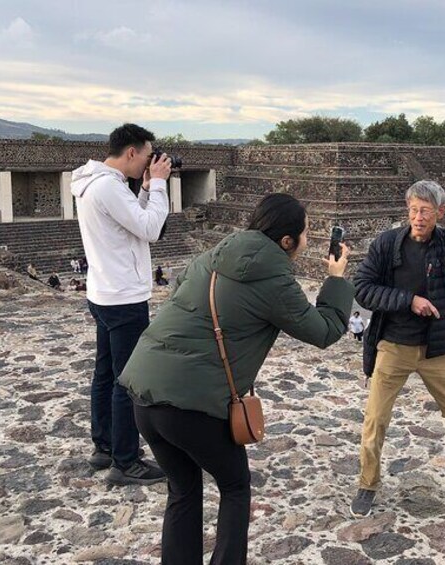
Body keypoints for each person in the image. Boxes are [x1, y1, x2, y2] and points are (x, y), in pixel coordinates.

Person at [120, 193, 354, 564]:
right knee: (234, 486)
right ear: (287, 241)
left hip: (143, 395)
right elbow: (324, 330)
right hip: (191, 406)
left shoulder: (211, 256)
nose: (307, 241)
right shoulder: (274, 277)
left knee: (182, 490)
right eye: (306, 234)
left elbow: (180, 290)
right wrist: (336, 280)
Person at [350, 179, 445, 518]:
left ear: (440, 212)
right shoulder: (387, 243)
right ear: (408, 211)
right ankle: (368, 482)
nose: (419, 217)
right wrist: (409, 301)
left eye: (426, 211)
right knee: (375, 420)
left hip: (438, 350)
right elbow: (362, 288)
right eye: (414, 210)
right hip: (393, 345)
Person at [72, 123, 172, 486]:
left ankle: (105, 446)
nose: (150, 162)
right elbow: (150, 229)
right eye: (148, 156)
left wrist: (144, 191)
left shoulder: (96, 183)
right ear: (132, 152)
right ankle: (126, 461)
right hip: (124, 297)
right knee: (126, 381)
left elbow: (132, 223)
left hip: (104, 291)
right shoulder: (108, 188)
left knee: (104, 374)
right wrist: (160, 184)